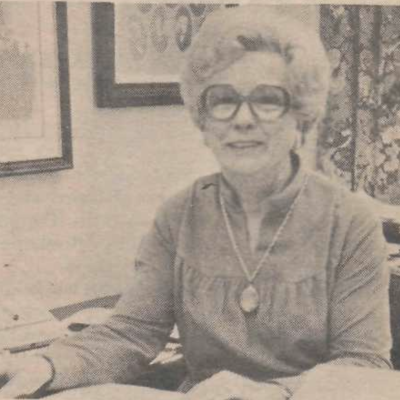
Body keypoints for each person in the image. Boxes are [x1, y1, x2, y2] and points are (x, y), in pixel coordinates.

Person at [0, 6, 392, 400]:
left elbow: (364, 365)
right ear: (204, 120)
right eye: (223, 100)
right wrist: (45, 366)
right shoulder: (179, 215)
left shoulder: (350, 222)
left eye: (268, 100)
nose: (243, 119)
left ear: (301, 117)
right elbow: (131, 333)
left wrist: (273, 391)